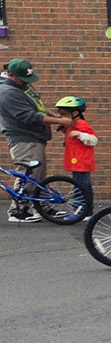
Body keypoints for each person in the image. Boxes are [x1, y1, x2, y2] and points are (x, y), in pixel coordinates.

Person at [2, 58, 75, 223]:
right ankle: (19, 211)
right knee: (28, 174)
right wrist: (61, 121)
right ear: (11, 75)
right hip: (24, 138)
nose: (27, 83)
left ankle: (42, 207)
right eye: (24, 79)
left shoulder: (22, 85)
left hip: (35, 137)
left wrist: (53, 114)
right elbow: (28, 116)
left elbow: (37, 106)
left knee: (38, 175)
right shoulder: (7, 92)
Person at [55, 96, 97, 222]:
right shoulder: (72, 126)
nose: (63, 118)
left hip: (82, 163)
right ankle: (88, 211)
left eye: (64, 115)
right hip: (77, 162)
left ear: (74, 113)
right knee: (84, 187)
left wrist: (80, 134)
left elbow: (93, 139)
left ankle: (80, 211)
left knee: (80, 188)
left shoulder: (81, 124)